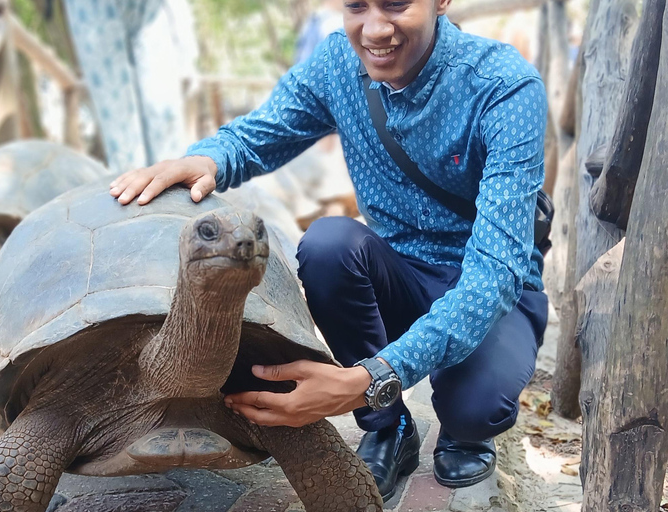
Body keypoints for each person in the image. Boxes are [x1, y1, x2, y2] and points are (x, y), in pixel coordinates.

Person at [110, 0, 549, 502]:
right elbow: (259, 135)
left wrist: (366, 378)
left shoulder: (505, 86)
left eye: (397, 4)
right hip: (398, 270)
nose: (375, 29)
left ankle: (450, 417)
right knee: (327, 243)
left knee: (476, 411)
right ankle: (387, 427)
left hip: (489, 287)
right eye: (357, 6)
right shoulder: (339, 62)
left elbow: (493, 276)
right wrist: (205, 159)